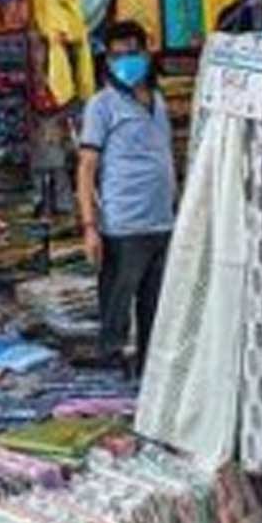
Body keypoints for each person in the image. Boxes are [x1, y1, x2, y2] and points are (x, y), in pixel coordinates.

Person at [77, 20, 175, 370]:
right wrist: (90, 226)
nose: (125, 62)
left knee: (156, 307)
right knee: (117, 306)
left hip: (162, 221)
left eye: (131, 53)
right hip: (123, 224)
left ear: (146, 54)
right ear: (107, 60)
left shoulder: (158, 101)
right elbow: (86, 167)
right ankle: (110, 366)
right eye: (116, 56)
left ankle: (147, 370)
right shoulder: (101, 105)